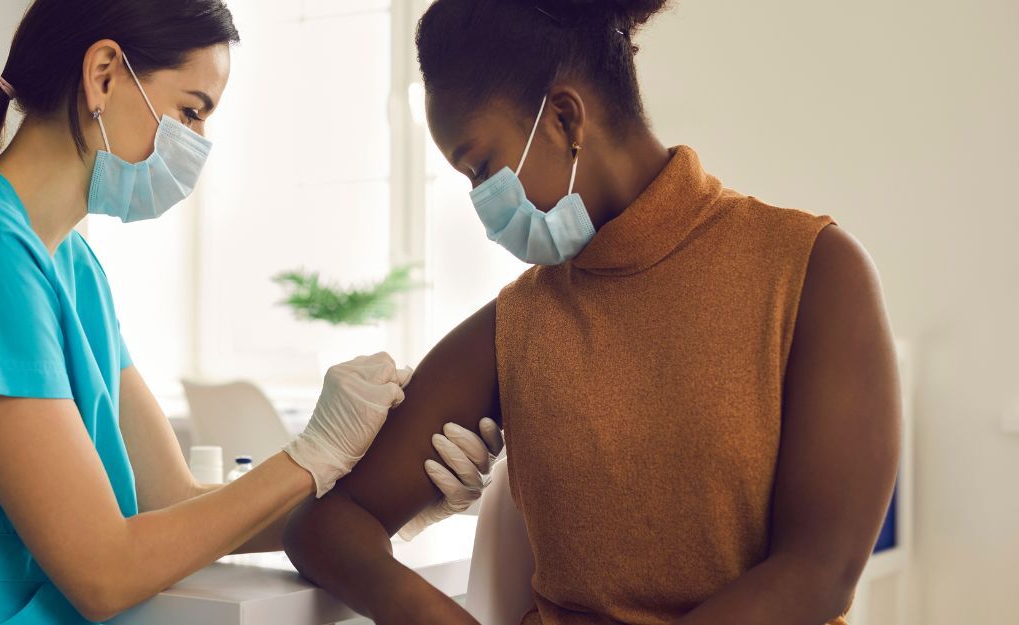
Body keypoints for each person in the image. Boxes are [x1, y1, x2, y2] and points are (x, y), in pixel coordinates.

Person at [0, 1, 502, 623]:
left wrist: (384, 503)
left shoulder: (70, 264)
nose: (199, 142)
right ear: (104, 75)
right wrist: (310, 456)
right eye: (192, 111)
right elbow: (104, 572)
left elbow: (168, 497)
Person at [281, 1, 902, 624]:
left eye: (482, 169)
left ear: (563, 118)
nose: (481, 204)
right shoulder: (521, 321)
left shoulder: (814, 271)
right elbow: (328, 526)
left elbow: (819, 574)